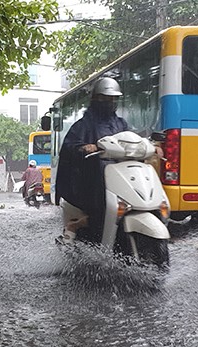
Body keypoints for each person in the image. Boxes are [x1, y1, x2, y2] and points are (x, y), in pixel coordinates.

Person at [55, 77, 129, 244]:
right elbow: (69, 147)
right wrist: (84, 148)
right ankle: (76, 226)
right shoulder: (83, 125)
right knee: (101, 205)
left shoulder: (121, 124)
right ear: (96, 99)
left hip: (120, 177)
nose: (110, 102)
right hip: (93, 179)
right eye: (105, 98)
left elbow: (131, 139)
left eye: (113, 99)